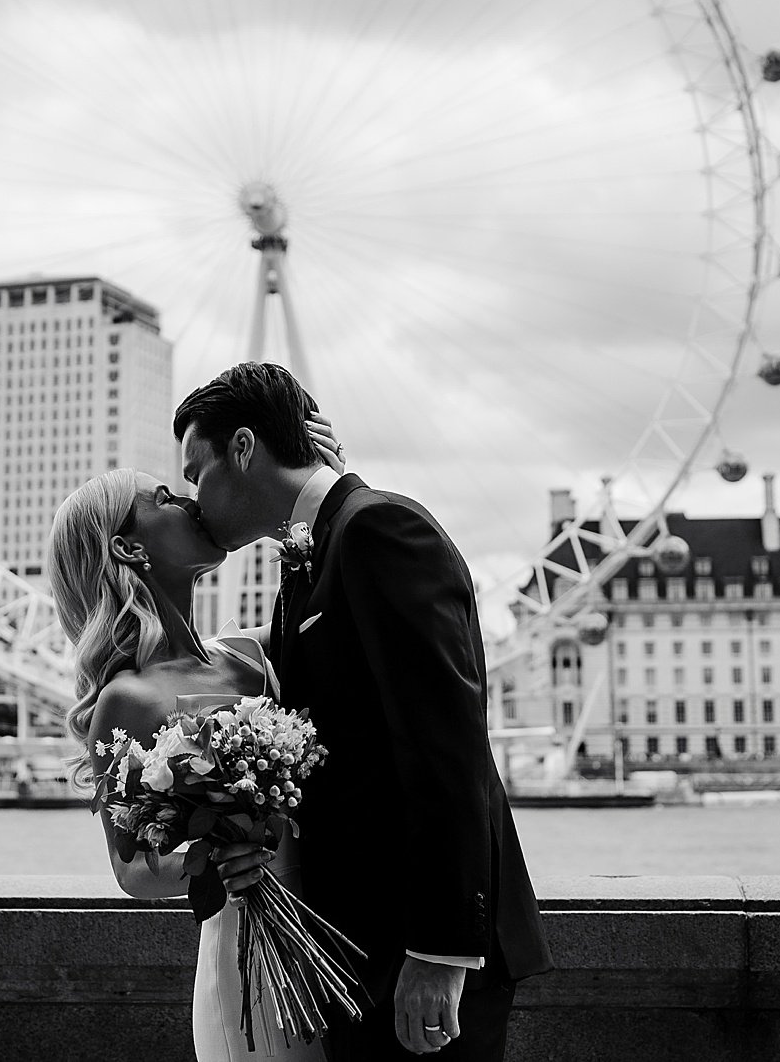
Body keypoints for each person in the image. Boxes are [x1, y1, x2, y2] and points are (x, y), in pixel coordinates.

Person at [174, 363, 551, 1061]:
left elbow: (447, 749)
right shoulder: (315, 552)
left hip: (414, 948)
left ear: (246, 447)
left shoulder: (379, 529)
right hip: (356, 947)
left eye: (197, 473)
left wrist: (439, 952)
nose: (195, 499)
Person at [48, 416, 346, 1061]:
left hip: (341, 935)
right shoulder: (128, 699)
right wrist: (209, 860)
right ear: (129, 549)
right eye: (161, 498)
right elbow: (131, 869)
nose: (187, 498)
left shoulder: (251, 656)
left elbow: (349, 605)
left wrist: (328, 484)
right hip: (248, 956)